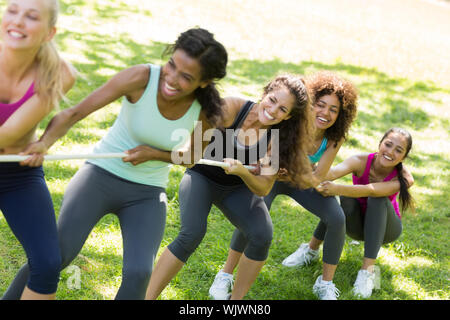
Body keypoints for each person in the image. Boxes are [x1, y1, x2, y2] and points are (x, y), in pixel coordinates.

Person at [2, 27, 228, 300]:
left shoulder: (208, 110)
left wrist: (154, 154)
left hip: (147, 191)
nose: (171, 78)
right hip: (99, 176)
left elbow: (192, 156)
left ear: (204, 82)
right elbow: (75, 112)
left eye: (186, 77)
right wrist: (44, 143)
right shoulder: (141, 78)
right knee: (55, 256)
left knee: (139, 273)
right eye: (171, 65)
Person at [145, 74, 315, 300]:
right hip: (201, 176)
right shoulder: (233, 107)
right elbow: (193, 134)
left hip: (236, 188)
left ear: (288, 116)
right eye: (272, 100)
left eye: (283, 109)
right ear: (265, 93)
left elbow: (263, 188)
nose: (273, 111)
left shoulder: (278, 138)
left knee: (261, 234)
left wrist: (243, 171)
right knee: (192, 233)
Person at [209, 71, 359, 300]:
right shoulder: (289, 124)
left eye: (333, 110)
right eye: (321, 105)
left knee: (337, 217)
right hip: (272, 178)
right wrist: (266, 168)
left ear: (341, 115)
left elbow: (317, 177)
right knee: (253, 214)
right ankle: (226, 274)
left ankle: (325, 283)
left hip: (300, 181)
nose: (325, 113)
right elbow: (261, 150)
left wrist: (296, 173)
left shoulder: (333, 138)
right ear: (309, 104)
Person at [0, 0, 76, 300]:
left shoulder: (59, 73)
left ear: (49, 32)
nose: (18, 21)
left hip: (18, 172)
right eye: (12, 11)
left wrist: (44, 142)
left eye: (31, 17)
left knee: (47, 263)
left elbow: (8, 133)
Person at [316, 127, 414, 298]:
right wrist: (312, 170)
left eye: (398, 150)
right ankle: (310, 249)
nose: (390, 152)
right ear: (380, 144)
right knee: (344, 199)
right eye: (388, 145)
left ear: (404, 157)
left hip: (386, 230)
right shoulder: (360, 160)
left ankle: (367, 273)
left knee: (377, 199)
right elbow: (331, 173)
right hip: (357, 225)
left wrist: (336, 188)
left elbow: (372, 190)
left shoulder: (404, 178)